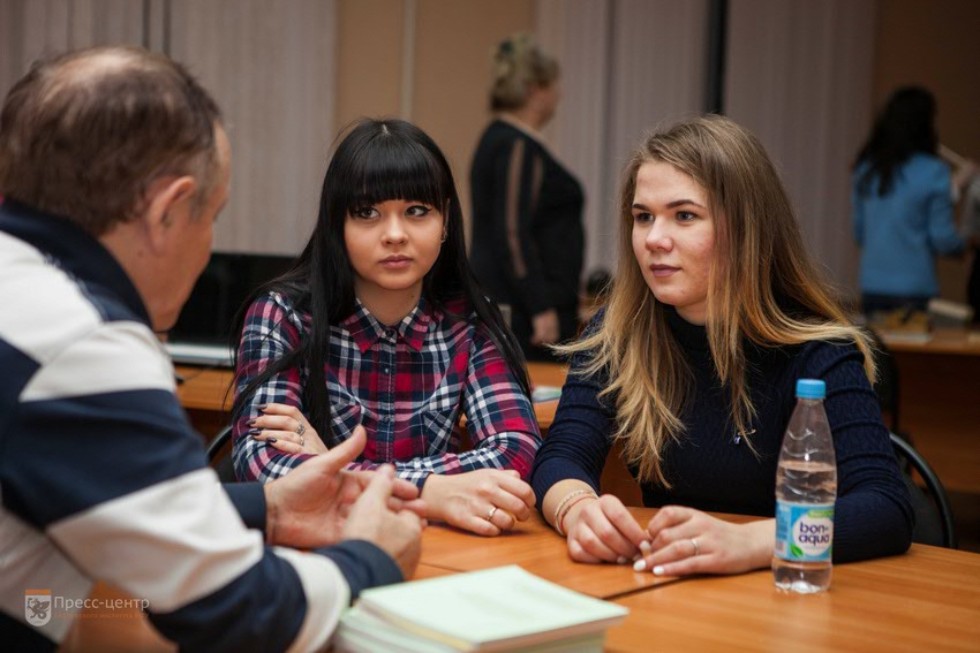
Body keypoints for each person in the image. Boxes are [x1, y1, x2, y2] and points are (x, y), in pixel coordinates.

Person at [0, 46, 424, 652]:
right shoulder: (81, 341)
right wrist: (370, 559)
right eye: (213, 215)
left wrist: (265, 508)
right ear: (167, 211)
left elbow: (81, 530)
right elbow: (233, 614)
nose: (208, 248)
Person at [531, 115, 914, 577]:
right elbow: (563, 454)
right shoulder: (619, 332)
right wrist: (576, 508)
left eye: (685, 216)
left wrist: (751, 542)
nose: (654, 239)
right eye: (643, 217)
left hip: (785, 596)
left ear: (747, 228)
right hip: (667, 589)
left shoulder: (819, 352)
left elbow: (885, 508)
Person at [232, 118, 540, 538]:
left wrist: (335, 469)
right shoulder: (281, 314)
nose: (395, 235)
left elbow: (515, 452)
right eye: (367, 213)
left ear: (446, 220)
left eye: (417, 211)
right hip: (320, 549)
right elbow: (262, 467)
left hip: (435, 550)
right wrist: (432, 492)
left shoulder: (470, 318)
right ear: (336, 225)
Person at [469, 33, 584, 361]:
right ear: (535, 90)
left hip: (521, 304)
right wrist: (541, 307)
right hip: (527, 313)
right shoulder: (517, 145)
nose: (559, 95)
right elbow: (512, 233)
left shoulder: (503, 140)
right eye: (555, 85)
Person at [852, 86, 969, 317]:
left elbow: (860, 233)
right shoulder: (934, 172)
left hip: (872, 286)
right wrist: (967, 244)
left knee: (879, 353)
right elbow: (943, 239)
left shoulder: (866, 170)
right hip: (915, 290)